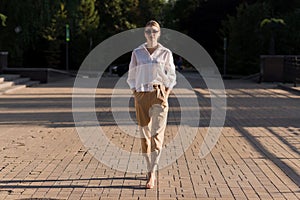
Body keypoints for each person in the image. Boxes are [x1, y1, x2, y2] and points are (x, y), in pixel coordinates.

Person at [127, 20, 176, 189]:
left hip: (159, 95)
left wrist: (166, 94)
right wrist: (135, 93)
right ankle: (149, 168)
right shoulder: (137, 53)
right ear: (144, 33)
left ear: (159, 33)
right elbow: (131, 75)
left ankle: (152, 173)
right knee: (144, 136)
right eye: (148, 31)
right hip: (141, 95)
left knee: (156, 136)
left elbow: (172, 76)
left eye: (155, 31)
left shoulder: (165, 53)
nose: (151, 33)